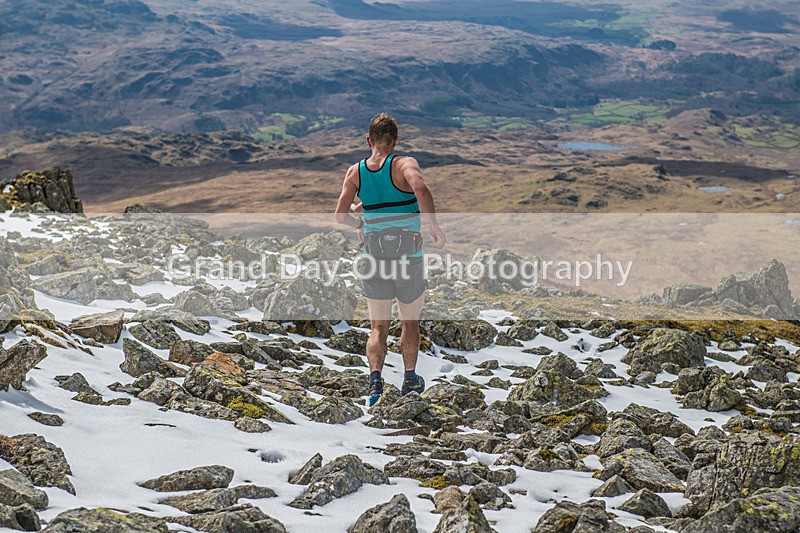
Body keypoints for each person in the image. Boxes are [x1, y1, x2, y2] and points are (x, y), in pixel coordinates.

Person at [334, 113, 446, 406]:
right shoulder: (404, 164)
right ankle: (410, 379)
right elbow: (419, 188)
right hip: (409, 256)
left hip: (374, 256)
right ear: (394, 140)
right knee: (410, 323)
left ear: (369, 140)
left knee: (378, 326)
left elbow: (339, 216)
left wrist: (362, 223)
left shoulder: (355, 172)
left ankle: (374, 386)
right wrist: (433, 225)